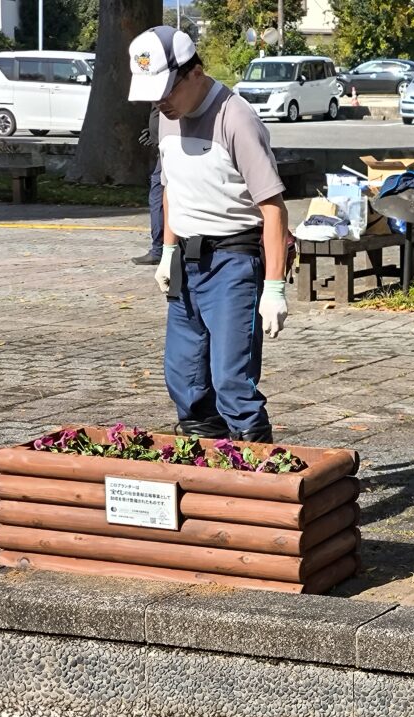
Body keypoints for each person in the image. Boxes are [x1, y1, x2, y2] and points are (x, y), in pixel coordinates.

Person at [127, 26, 289, 442]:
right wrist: (168, 251)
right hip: (187, 261)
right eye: (153, 95)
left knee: (232, 380)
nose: (160, 102)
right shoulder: (167, 118)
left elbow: (273, 208)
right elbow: (171, 186)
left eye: (166, 91)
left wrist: (274, 288)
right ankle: (208, 458)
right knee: (185, 379)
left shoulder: (235, 119)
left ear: (195, 72)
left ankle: (257, 465)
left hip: (233, 260)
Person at [131, 105, 163, 266]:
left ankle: (160, 250)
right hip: (165, 146)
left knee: (159, 199)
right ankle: (161, 249)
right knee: (159, 198)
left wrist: (158, 133)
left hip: (170, 148)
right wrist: (154, 132)